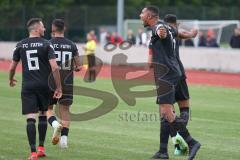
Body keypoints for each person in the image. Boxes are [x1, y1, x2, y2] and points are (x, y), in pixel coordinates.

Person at [140, 6, 201, 160]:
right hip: (172, 72)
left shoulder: (158, 27)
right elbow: (178, 33)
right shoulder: (169, 27)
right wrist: (191, 35)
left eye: (142, 13)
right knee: (165, 112)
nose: (140, 15)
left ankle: (191, 142)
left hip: (166, 74)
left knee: (167, 112)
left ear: (149, 16)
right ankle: (163, 151)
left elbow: (161, 31)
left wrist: (161, 33)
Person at [8, 18, 62, 160]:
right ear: (37, 29)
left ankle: (32, 153)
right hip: (44, 86)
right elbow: (55, 67)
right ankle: (41, 148)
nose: (45, 29)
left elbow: (13, 66)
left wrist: (10, 78)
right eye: (43, 27)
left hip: (28, 86)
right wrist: (59, 86)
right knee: (43, 114)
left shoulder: (20, 45)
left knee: (31, 118)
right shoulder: (47, 45)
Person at [154, 13, 198, 158]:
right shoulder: (174, 33)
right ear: (176, 24)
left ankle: (182, 143)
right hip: (179, 73)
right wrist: (191, 34)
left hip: (169, 75)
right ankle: (171, 149)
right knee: (179, 110)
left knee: (166, 113)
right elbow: (183, 34)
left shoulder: (166, 32)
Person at [47, 19, 81, 148]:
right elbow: (79, 66)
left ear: (53, 29)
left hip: (51, 81)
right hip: (67, 82)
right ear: (64, 29)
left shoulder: (48, 43)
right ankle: (64, 141)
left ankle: (55, 124)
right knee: (65, 110)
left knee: (48, 109)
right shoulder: (71, 44)